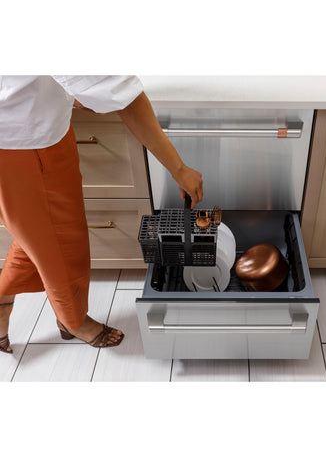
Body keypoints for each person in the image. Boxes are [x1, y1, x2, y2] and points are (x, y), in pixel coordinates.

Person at [0, 75, 203, 353]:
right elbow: (124, 96)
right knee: (61, 243)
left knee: (39, 233)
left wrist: (69, 90)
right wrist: (179, 169)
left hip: (41, 133)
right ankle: (73, 322)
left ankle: (2, 300)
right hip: (20, 146)